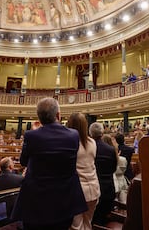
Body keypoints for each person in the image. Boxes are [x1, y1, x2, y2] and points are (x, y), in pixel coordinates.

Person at [17, 97, 87, 230]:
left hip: (36, 203)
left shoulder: (31, 136)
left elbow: (23, 162)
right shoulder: (73, 135)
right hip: (64, 201)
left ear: (39, 118)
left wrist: (34, 133)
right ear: (58, 115)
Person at [67, 113, 100, 230]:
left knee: (77, 227)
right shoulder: (92, 142)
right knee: (87, 223)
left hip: (79, 191)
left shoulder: (70, 143)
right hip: (94, 189)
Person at [89, 122, 117, 226]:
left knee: (93, 221)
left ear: (90, 134)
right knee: (104, 221)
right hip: (108, 189)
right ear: (102, 133)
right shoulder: (111, 150)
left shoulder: (88, 149)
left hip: (94, 190)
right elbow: (113, 169)